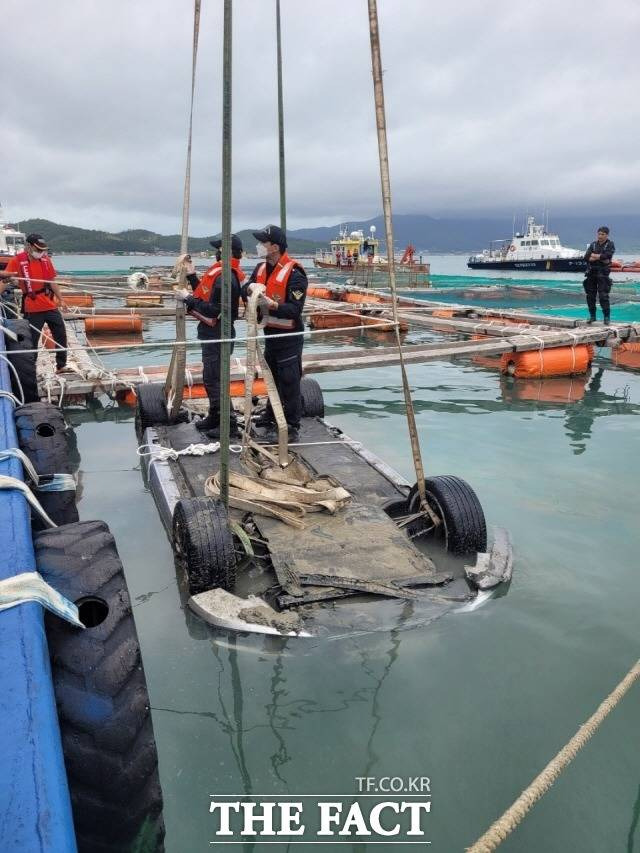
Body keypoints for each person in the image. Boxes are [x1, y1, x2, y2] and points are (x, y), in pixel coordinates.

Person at [245, 224, 307, 443]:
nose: (260, 246)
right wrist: (249, 291)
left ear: (275, 247)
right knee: (271, 379)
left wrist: (272, 305)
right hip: (270, 336)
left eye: (263, 242)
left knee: (288, 382)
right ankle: (271, 415)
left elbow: (295, 310)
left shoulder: (295, 274)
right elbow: (246, 289)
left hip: (289, 338)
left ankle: (291, 426)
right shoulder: (261, 269)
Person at [181, 234, 245, 438]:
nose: (216, 253)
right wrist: (192, 276)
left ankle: (229, 423)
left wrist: (188, 299)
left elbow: (214, 309)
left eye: (219, 249)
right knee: (211, 378)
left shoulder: (226, 277)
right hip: (212, 333)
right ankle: (215, 416)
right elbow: (206, 295)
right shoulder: (221, 274)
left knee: (216, 379)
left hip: (219, 333)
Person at [0, 233, 69, 371]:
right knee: (31, 341)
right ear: (29, 246)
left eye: (42, 250)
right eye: (38, 249)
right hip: (32, 308)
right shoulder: (17, 260)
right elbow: (5, 280)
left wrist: (61, 299)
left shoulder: (46, 260)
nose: (41, 252)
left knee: (61, 333)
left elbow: (52, 282)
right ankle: (31, 368)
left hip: (49, 305)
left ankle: (61, 365)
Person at [584, 226, 615, 324]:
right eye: (599, 234)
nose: (600, 236)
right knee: (590, 296)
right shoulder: (593, 244)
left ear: (607, 235)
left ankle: (606, 317)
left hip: (603, 274)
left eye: (602, 234)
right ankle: (592, 316)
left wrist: (594, 256)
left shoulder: (610, 244)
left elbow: (608, 256)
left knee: (603, 296)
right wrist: (600, 257)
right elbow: (586, 257)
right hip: (591, 273)